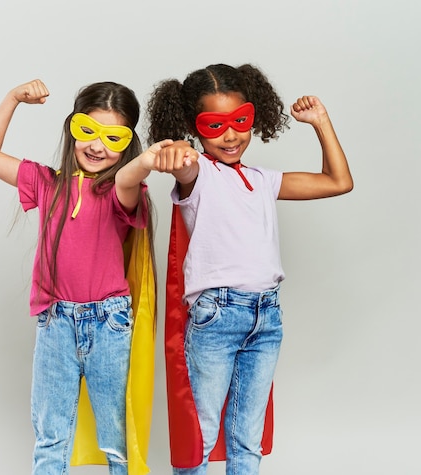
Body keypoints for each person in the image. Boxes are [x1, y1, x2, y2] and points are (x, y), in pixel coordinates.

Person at [146, 63, 353, 475]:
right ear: (193, 125)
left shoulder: (263, 180)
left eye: (240, 121)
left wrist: (321, 122)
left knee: (248, 439)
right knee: (200, 437)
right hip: (216, 316)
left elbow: (337, 182)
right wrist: (177, 153)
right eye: (214, 124)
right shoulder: (198, 174)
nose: (230, 134)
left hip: (267, 316)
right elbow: (183, 164)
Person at [0, 79, 167, 475]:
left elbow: (129, 179)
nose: (97, 146)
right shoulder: (46, 183)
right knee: (50, 437)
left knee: (116, 439)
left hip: (109, 325)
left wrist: (145, 161)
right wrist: (12, 99)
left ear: (128, 144)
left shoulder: (121, 189)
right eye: (87, 131)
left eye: (113, 138)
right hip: (55, 323)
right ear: (71, 127)